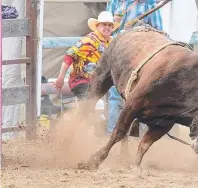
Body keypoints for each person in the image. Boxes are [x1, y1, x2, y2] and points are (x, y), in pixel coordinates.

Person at [105, 0, 163, 135]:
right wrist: (115, 23)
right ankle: (112, 133)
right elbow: (107, 29)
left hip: (141, 56)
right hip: (119, 54)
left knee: (144, 95)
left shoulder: (149, 3)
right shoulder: (115, 2)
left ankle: (144, 134)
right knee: (116, 97)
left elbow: (158, 31)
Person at [53, 11, 120, 101]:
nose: (107, 27)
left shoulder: (110, 42)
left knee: (93, 105)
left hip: (95, 81)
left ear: (112, 27)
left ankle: (79, 114)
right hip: (81, 80)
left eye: (109, 25)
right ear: (97, 26)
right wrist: (61, 77)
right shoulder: (89, 40)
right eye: (104, 24)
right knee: (90, 103)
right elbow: (69, 55)